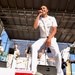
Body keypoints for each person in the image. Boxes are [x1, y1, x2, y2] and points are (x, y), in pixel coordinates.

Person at [31, 5, 63, 75]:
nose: (42, 9)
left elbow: (55, 30)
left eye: (44, 8)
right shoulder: (39, 19)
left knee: (57, 53)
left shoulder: (52, 18)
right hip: (42, 38)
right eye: (41, 8)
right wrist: (38, 15)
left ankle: (59, 72)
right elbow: (35, 26)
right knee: (33, 47)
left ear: (47, 10)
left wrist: (49, 39)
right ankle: (33, 70)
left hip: (51, 37)